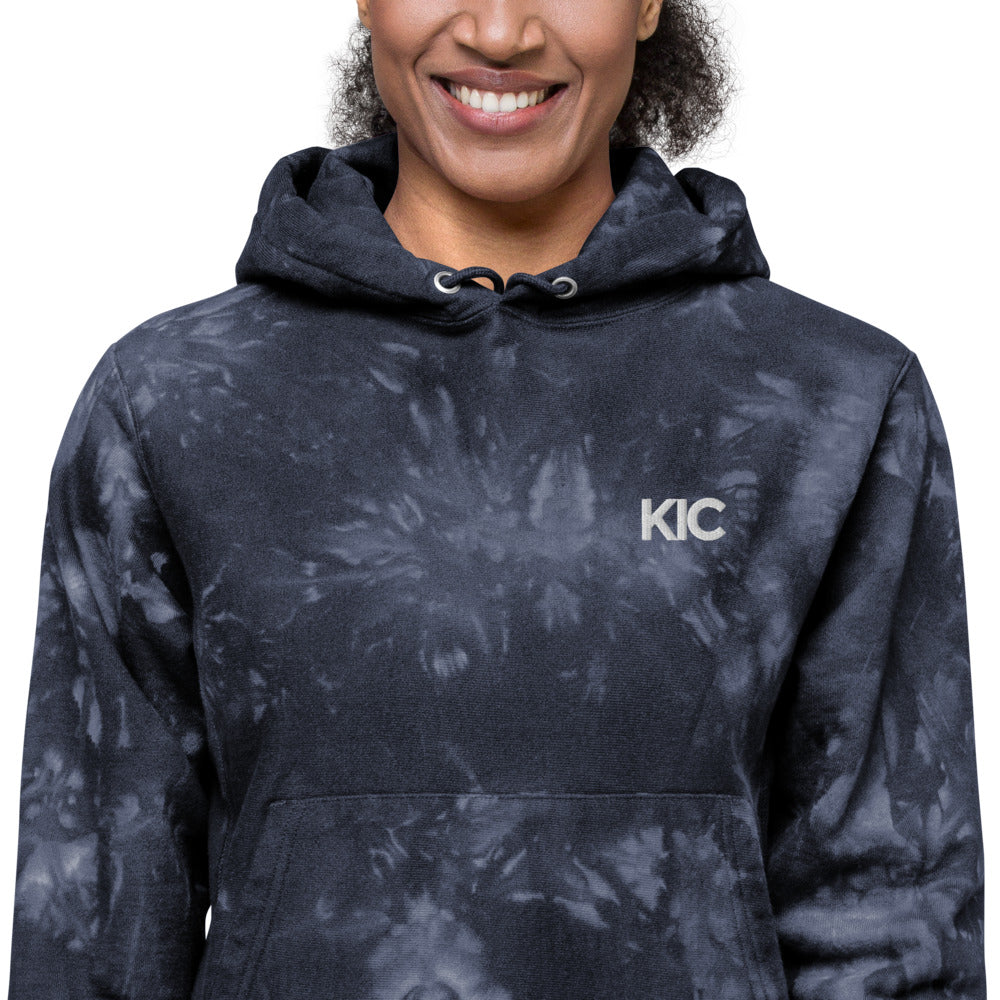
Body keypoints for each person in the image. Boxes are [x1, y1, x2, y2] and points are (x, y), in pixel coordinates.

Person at [5, 0, 986, 998]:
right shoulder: (173, 401)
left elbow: (889, 910)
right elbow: (94, 923)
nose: (501, 32)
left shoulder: (829, 400)